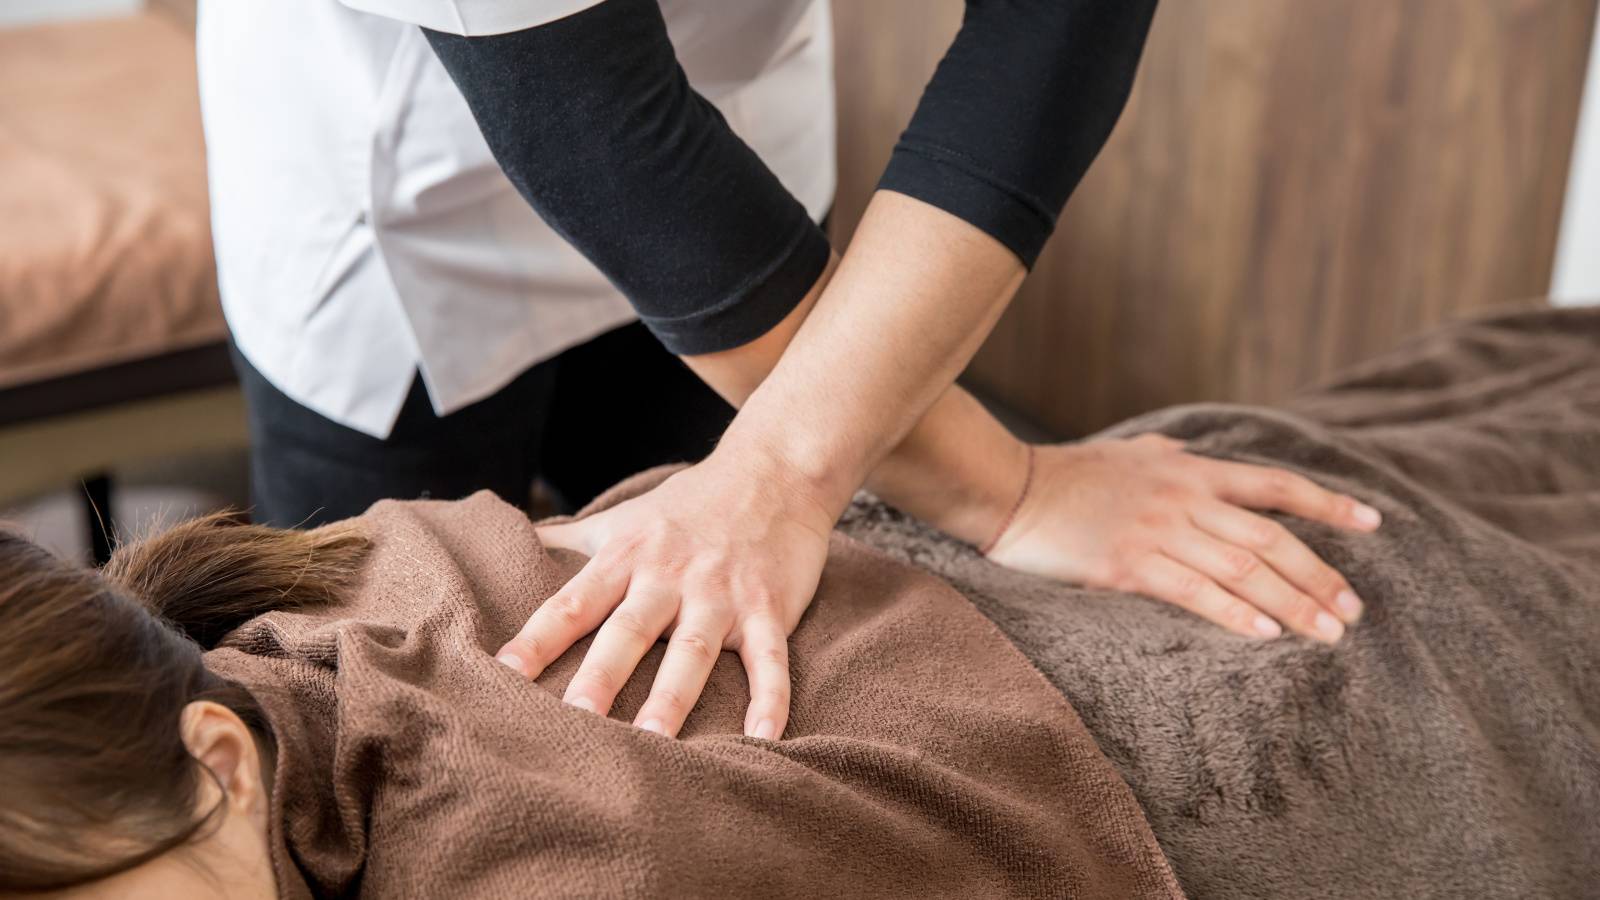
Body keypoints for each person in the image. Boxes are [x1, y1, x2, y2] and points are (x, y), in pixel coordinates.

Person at [199, 0, 1381, 746]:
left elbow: (1054, 29)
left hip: (736, 143)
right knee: (378, 703)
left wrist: (794, 470)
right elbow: (598, 126)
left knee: (750, 677)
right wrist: (1004, 486)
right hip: (398, 208)